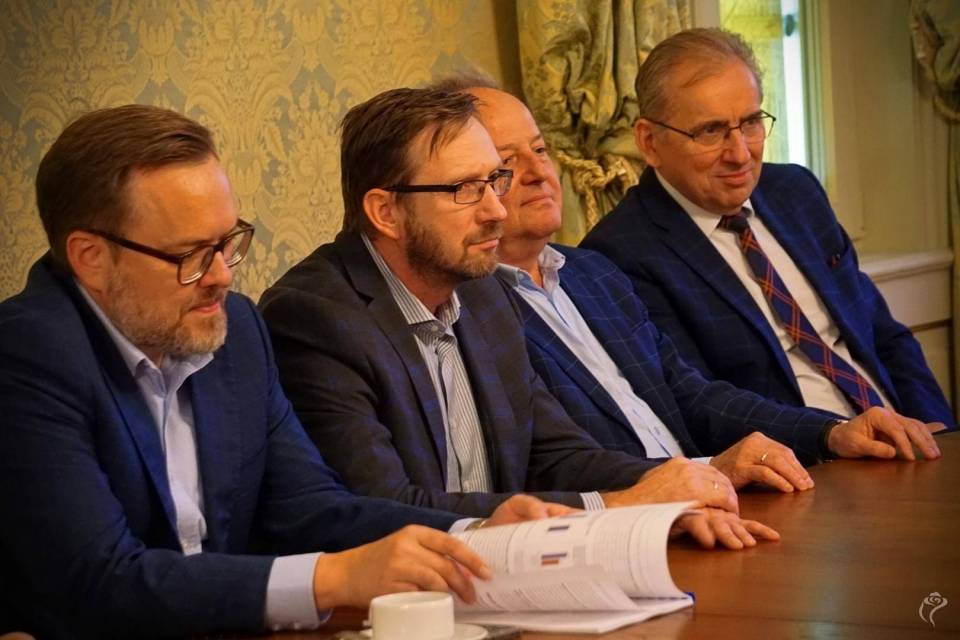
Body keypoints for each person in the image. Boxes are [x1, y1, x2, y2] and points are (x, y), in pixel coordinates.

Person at [0, 104, 564, 639]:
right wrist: (331, 577)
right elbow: (100, 581)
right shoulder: (28, 355)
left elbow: (309, 508)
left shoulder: (237, 332)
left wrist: (476, 535)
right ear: (91, 257)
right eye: (191, 255)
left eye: (228, 243)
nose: (222, 276)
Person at [259, 87, 778, 545]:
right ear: (385, 212)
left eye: (495, 180)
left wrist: (675, 490)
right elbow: (382, 507)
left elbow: (555, 454)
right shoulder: (315, 319)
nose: (496, 211)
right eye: (465, 190)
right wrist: (618, 507)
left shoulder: (485, 292)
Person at [435, 77, 941, 493]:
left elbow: (691, 394)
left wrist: (829, 433)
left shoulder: (592, 273)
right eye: (506, 162)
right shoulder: (464, 309)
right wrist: (703, 473)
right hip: (635, 524)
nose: (538, 172)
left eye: (541, 149)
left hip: (715, 500)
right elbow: (549, 465)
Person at [579, 28, 955, 428]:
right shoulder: (619, 255)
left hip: (903, 435)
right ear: (650, 142)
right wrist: (833, 437)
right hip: (802, 457)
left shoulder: (796, 192)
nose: (740, 154)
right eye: (710, 131)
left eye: (751, 123)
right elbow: (699, 406)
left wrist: (939, 432)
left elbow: (883, 334)